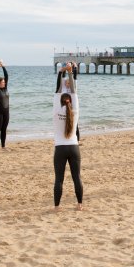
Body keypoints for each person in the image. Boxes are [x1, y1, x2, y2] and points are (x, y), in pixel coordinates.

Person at [53, 63, 83, 211]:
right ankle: (79, 205)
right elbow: (73, 90)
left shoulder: (56, 109)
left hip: (60, 148)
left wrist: (61, 72)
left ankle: (57, 207)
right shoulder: (75, 110)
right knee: (77, 178)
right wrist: (71, 73)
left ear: (60, 100)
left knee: (59, 179)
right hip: (74, 147)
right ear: (70, 100)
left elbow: (58, 88)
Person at [56, 62, 80, 141]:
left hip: (72, 107)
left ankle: (77, 138)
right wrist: (65, 68)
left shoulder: (73, 89)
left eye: (69, 83)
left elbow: (75, 78)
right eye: (66, 83)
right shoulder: (63, 88)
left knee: (75, 124)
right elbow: (62, 78)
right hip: (64, 107)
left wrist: (75, 68)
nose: (67, 84)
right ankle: (66, 136)